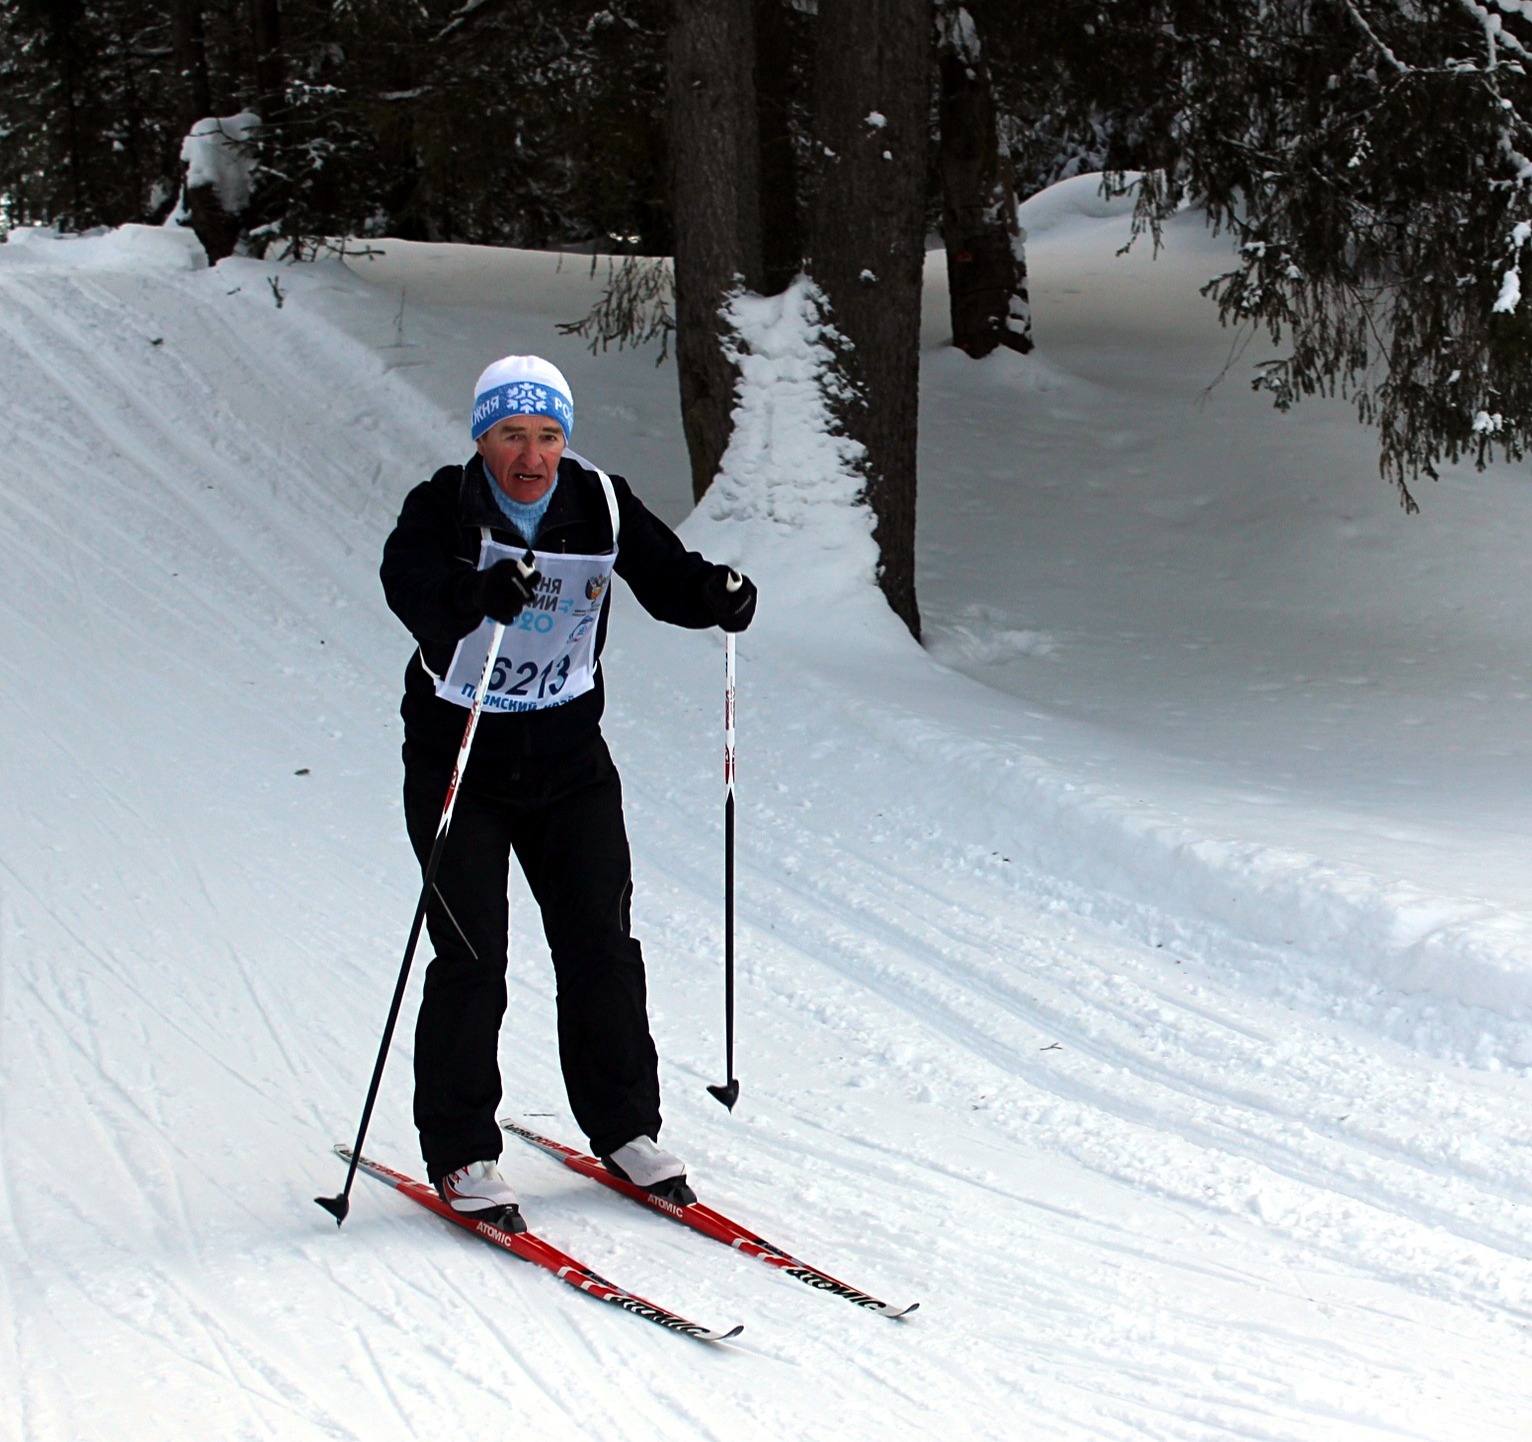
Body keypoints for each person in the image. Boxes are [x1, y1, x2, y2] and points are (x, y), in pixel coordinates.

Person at [380, 354, 755, 1231]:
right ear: (483, 439)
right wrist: (477, 593)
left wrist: (718, 594)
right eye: (512, 435)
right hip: (460, 759)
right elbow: (414, 593)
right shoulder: (442, 506)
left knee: (600, 944)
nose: (532, 456)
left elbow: (668, 579)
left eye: (548, 435)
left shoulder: (600, 501)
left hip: (568, 760)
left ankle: (625, 1128)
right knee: (473, 955)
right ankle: (462, 1149)